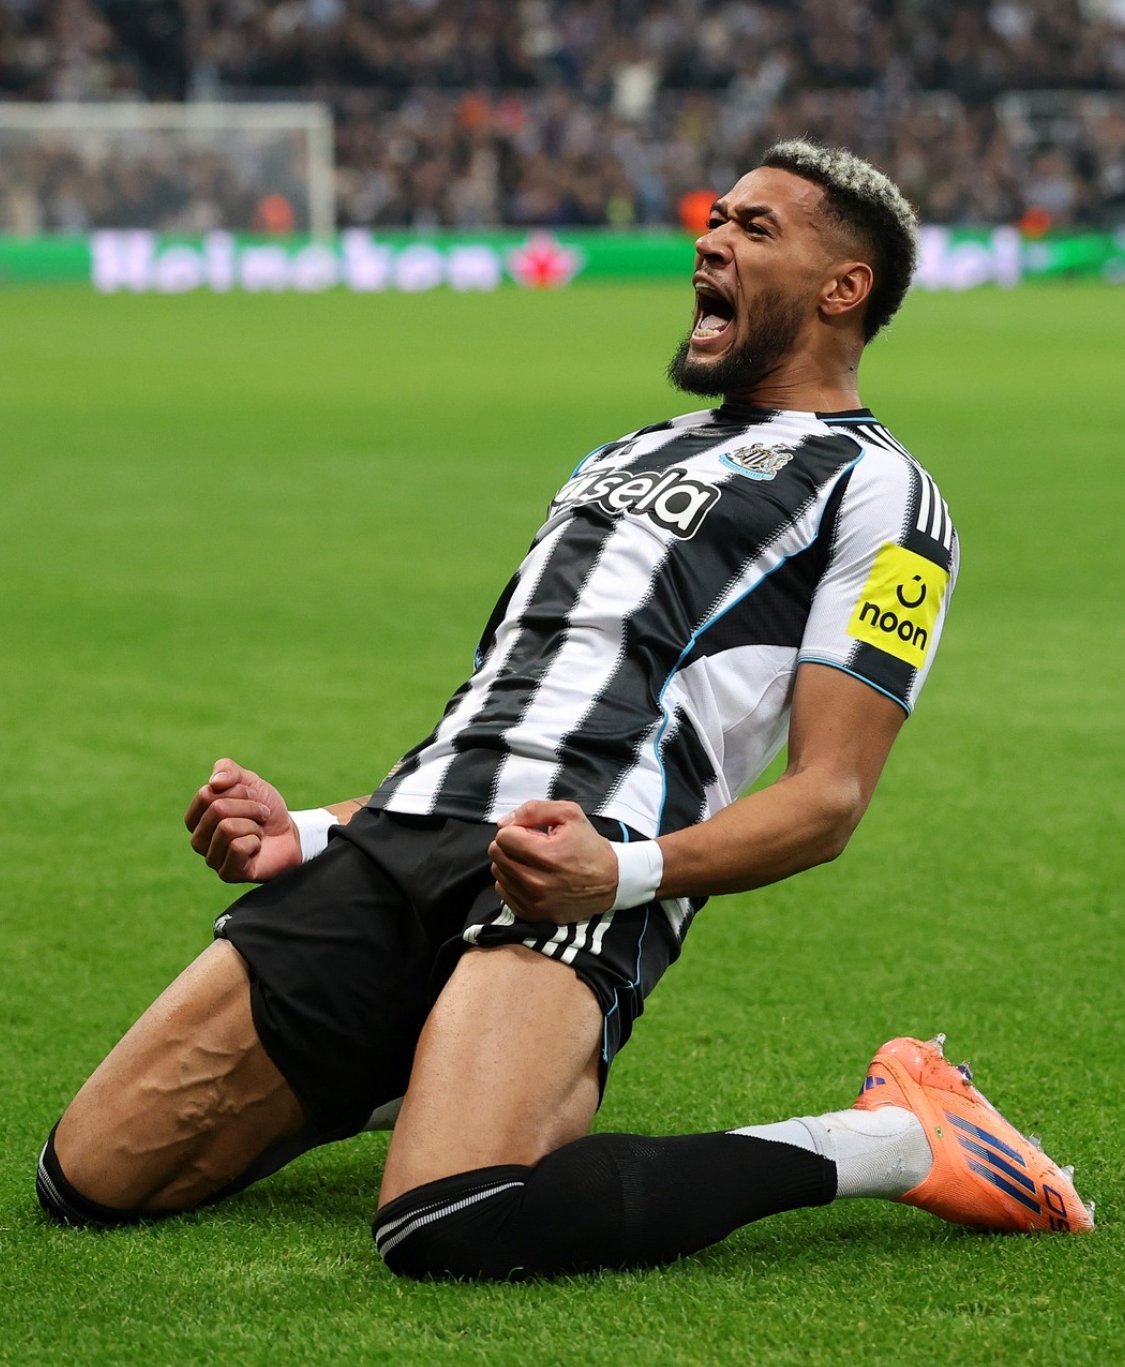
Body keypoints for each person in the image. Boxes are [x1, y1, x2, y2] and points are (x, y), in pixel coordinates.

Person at [36, 140, 1093, 1273]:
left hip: (585, 852)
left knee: (445, 1224)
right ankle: (430, 1051)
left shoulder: (883, 490)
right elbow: (499, 710)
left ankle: (896, 1135)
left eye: (755, 228)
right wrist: (311, 830)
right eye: (716, 216)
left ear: (846, 290)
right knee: (87, 1178)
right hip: (406, 830)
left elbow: (828, 798)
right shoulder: (617, 455)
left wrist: (621, 874)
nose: (711, 237)